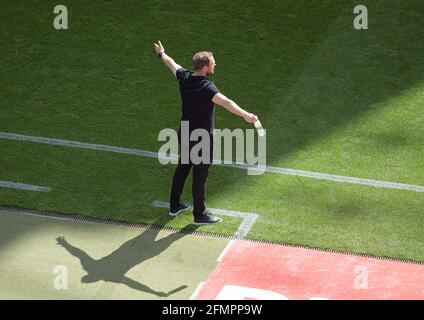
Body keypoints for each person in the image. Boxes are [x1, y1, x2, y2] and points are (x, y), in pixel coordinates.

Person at [154, 41, 258, 225]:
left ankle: (174, 205)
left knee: (183, 167)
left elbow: (172, 64)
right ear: (204, 67)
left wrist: (161, 54)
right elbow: (226, 102)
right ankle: (200, 215)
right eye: (212, 63)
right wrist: (245, 115)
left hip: (185, 133)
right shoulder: (206, 86)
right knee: (200, 176)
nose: (215, 65)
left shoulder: (184, 77)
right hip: (202, 138)